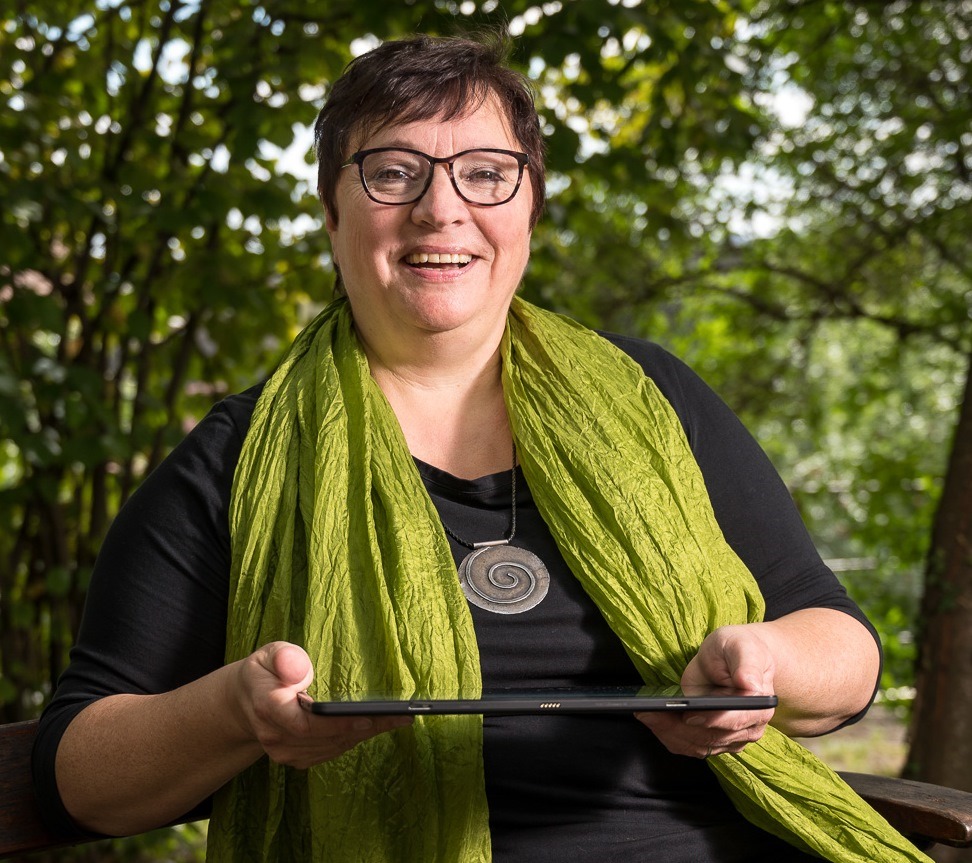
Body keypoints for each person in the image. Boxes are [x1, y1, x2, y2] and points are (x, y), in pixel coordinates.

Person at [32, 32, 929, 863]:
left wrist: (765, 664)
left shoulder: (654, 396)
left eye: (486, 173)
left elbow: (844, 654)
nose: (441, 209)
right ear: (331, 213)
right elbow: (82, 774)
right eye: (392, 172)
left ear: (530, 205)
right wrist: (232, 714)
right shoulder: (239, 457)